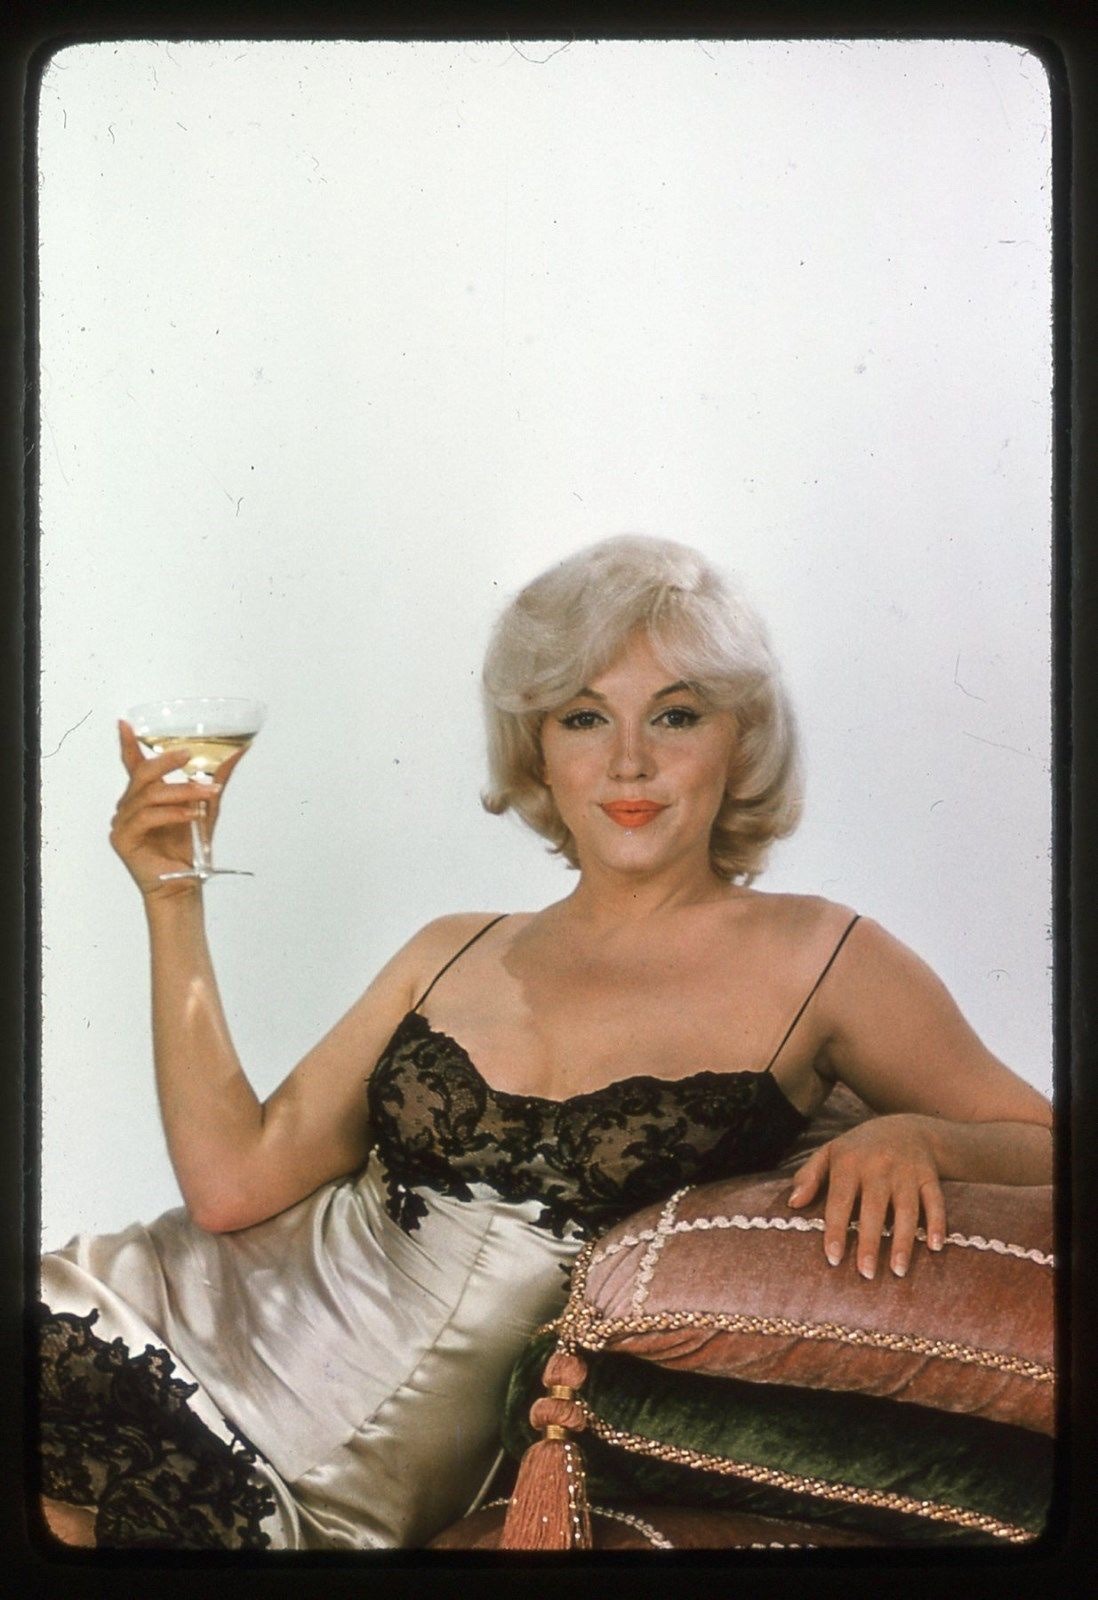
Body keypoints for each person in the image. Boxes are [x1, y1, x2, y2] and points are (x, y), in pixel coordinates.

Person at [38, 535, 1052, 1550]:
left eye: (677, 714)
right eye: (583, 716)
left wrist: (923, 1137)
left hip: (330, 1476)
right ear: (537, 750)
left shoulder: (827, 958)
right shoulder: (451, 948)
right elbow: (231, 1184)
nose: (629, 760)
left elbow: (1051, 1141)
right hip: (158, 1323)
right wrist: (171, 893)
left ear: (740, 739)